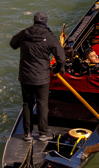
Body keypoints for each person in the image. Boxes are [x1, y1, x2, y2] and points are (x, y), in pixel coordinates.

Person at [10, 11, 66, 141]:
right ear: (45, 21)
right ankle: (43, 134)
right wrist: (57, 69)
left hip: (25, 76)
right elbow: (61, 58)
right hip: (42, 77)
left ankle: (27, 134)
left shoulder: (24, 33)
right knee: (42, 104)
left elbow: (12, 44)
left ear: (34, 20)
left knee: (27, 104)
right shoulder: (49, 37)